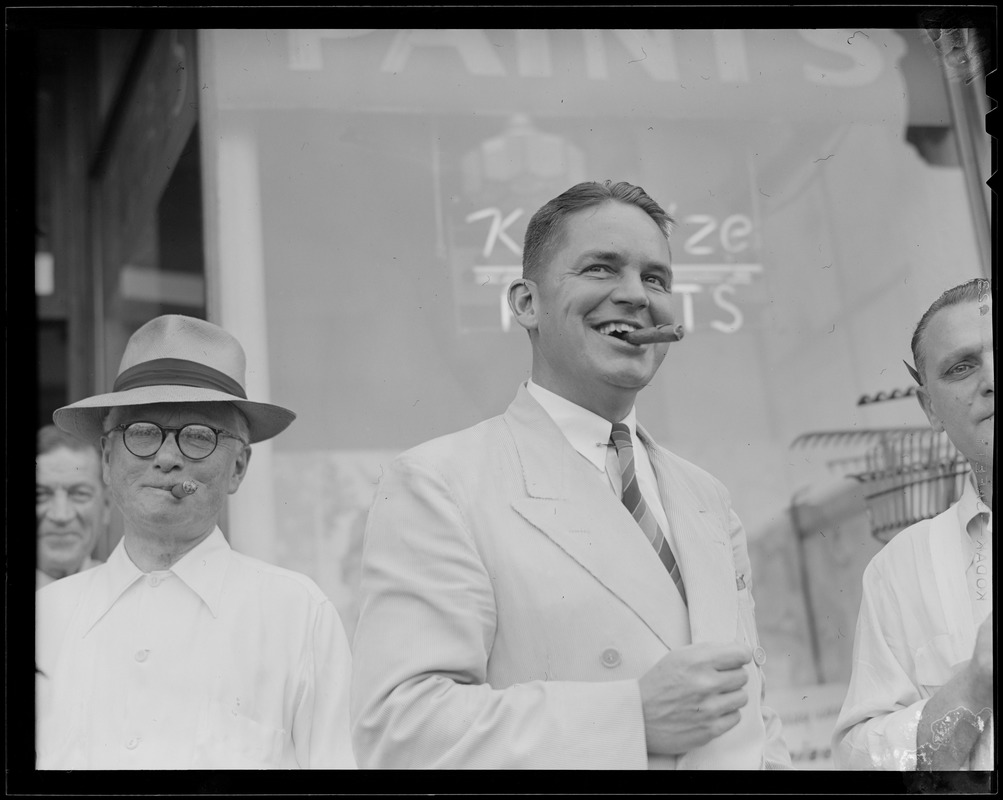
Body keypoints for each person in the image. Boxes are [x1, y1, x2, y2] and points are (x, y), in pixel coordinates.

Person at [350, 180, 791, 769]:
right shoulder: (439, 484)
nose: (636, 295)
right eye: (601, 268)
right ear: (526, 304)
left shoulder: (707, 497)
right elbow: (402, 731)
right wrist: (629, 719)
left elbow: (753, 722)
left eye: (655, 278)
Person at [35, 315, 355, 769]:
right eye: (142, 432)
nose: (167, 458)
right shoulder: (44, 622)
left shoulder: (298, 616)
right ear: (107, 458)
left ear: (238, 467)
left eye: (198, 436)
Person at [833, 278, 993, 770]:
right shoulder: (901, 570)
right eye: (962, 367)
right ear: (931, 409)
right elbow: (861, 762)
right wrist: (975, 683)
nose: (991, 379)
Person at [36, 425, 110, 589]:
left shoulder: (131, 599)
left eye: (80, 494)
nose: (61, 515)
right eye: (40, 495)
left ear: (106, 506)